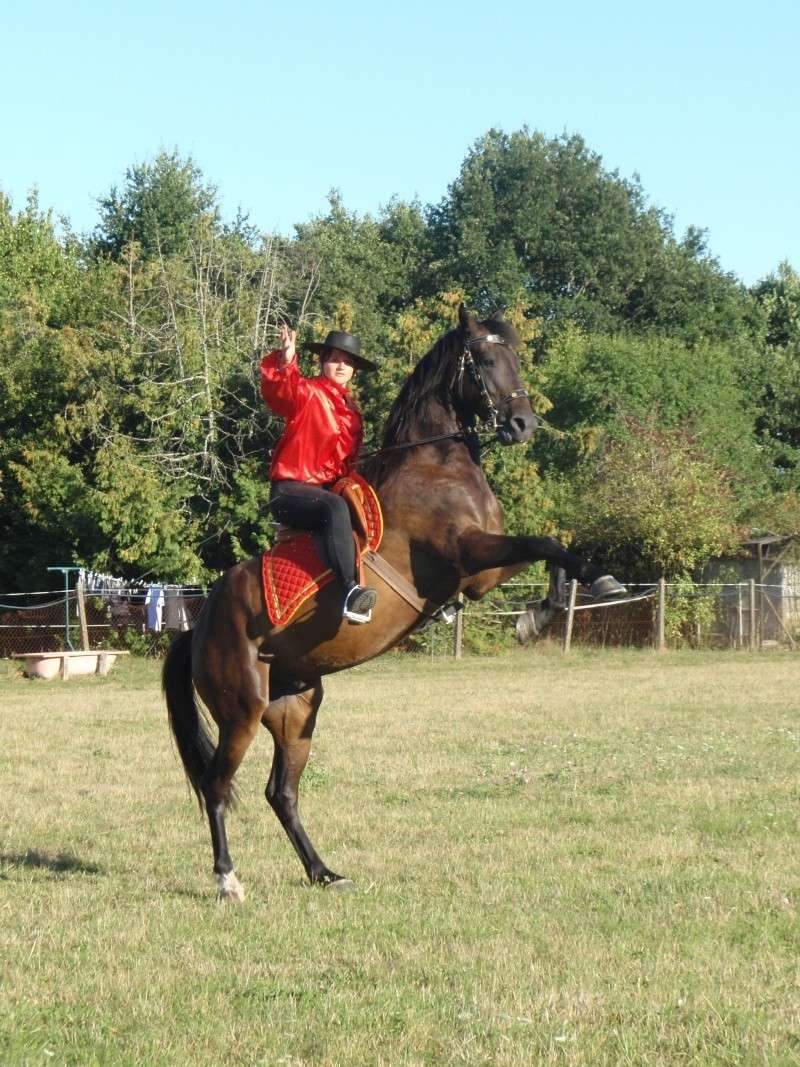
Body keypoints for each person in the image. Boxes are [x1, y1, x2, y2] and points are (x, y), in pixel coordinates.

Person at [261, 325, 380, 625]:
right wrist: (287, 360)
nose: (342, 365)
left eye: (348, 362)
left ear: (354, 370)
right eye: (335, 359)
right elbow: (282, 392)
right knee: (335, 506)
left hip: (326, 492)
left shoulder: (352, 411)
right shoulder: (308, 392)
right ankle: (351, 592)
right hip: (291, 491)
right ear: (323, 362)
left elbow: (346, 462)